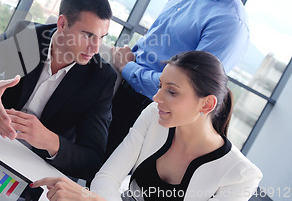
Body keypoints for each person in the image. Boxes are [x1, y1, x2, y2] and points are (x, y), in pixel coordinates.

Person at [107, 0, 270, 156]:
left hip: (148, 112)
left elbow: (187, 91)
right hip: (118, 89)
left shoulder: (230, 24)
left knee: (98, 184)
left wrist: (128, 68)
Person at [33, 50, 262, 201]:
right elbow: (106, 178)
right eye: (160, 86)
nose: (157, 98)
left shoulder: (241, 175)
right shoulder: (155, 115)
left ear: (206, 104)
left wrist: (90, 199)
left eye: (172, 91)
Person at [0, 0, 117, 180]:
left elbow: (92, 160)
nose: (95, 48)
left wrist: (49, 141)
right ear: (61, 23)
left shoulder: (102, 78)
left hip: (35, 169)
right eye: (88, 35)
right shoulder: (24, 35)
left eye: (101, 38)